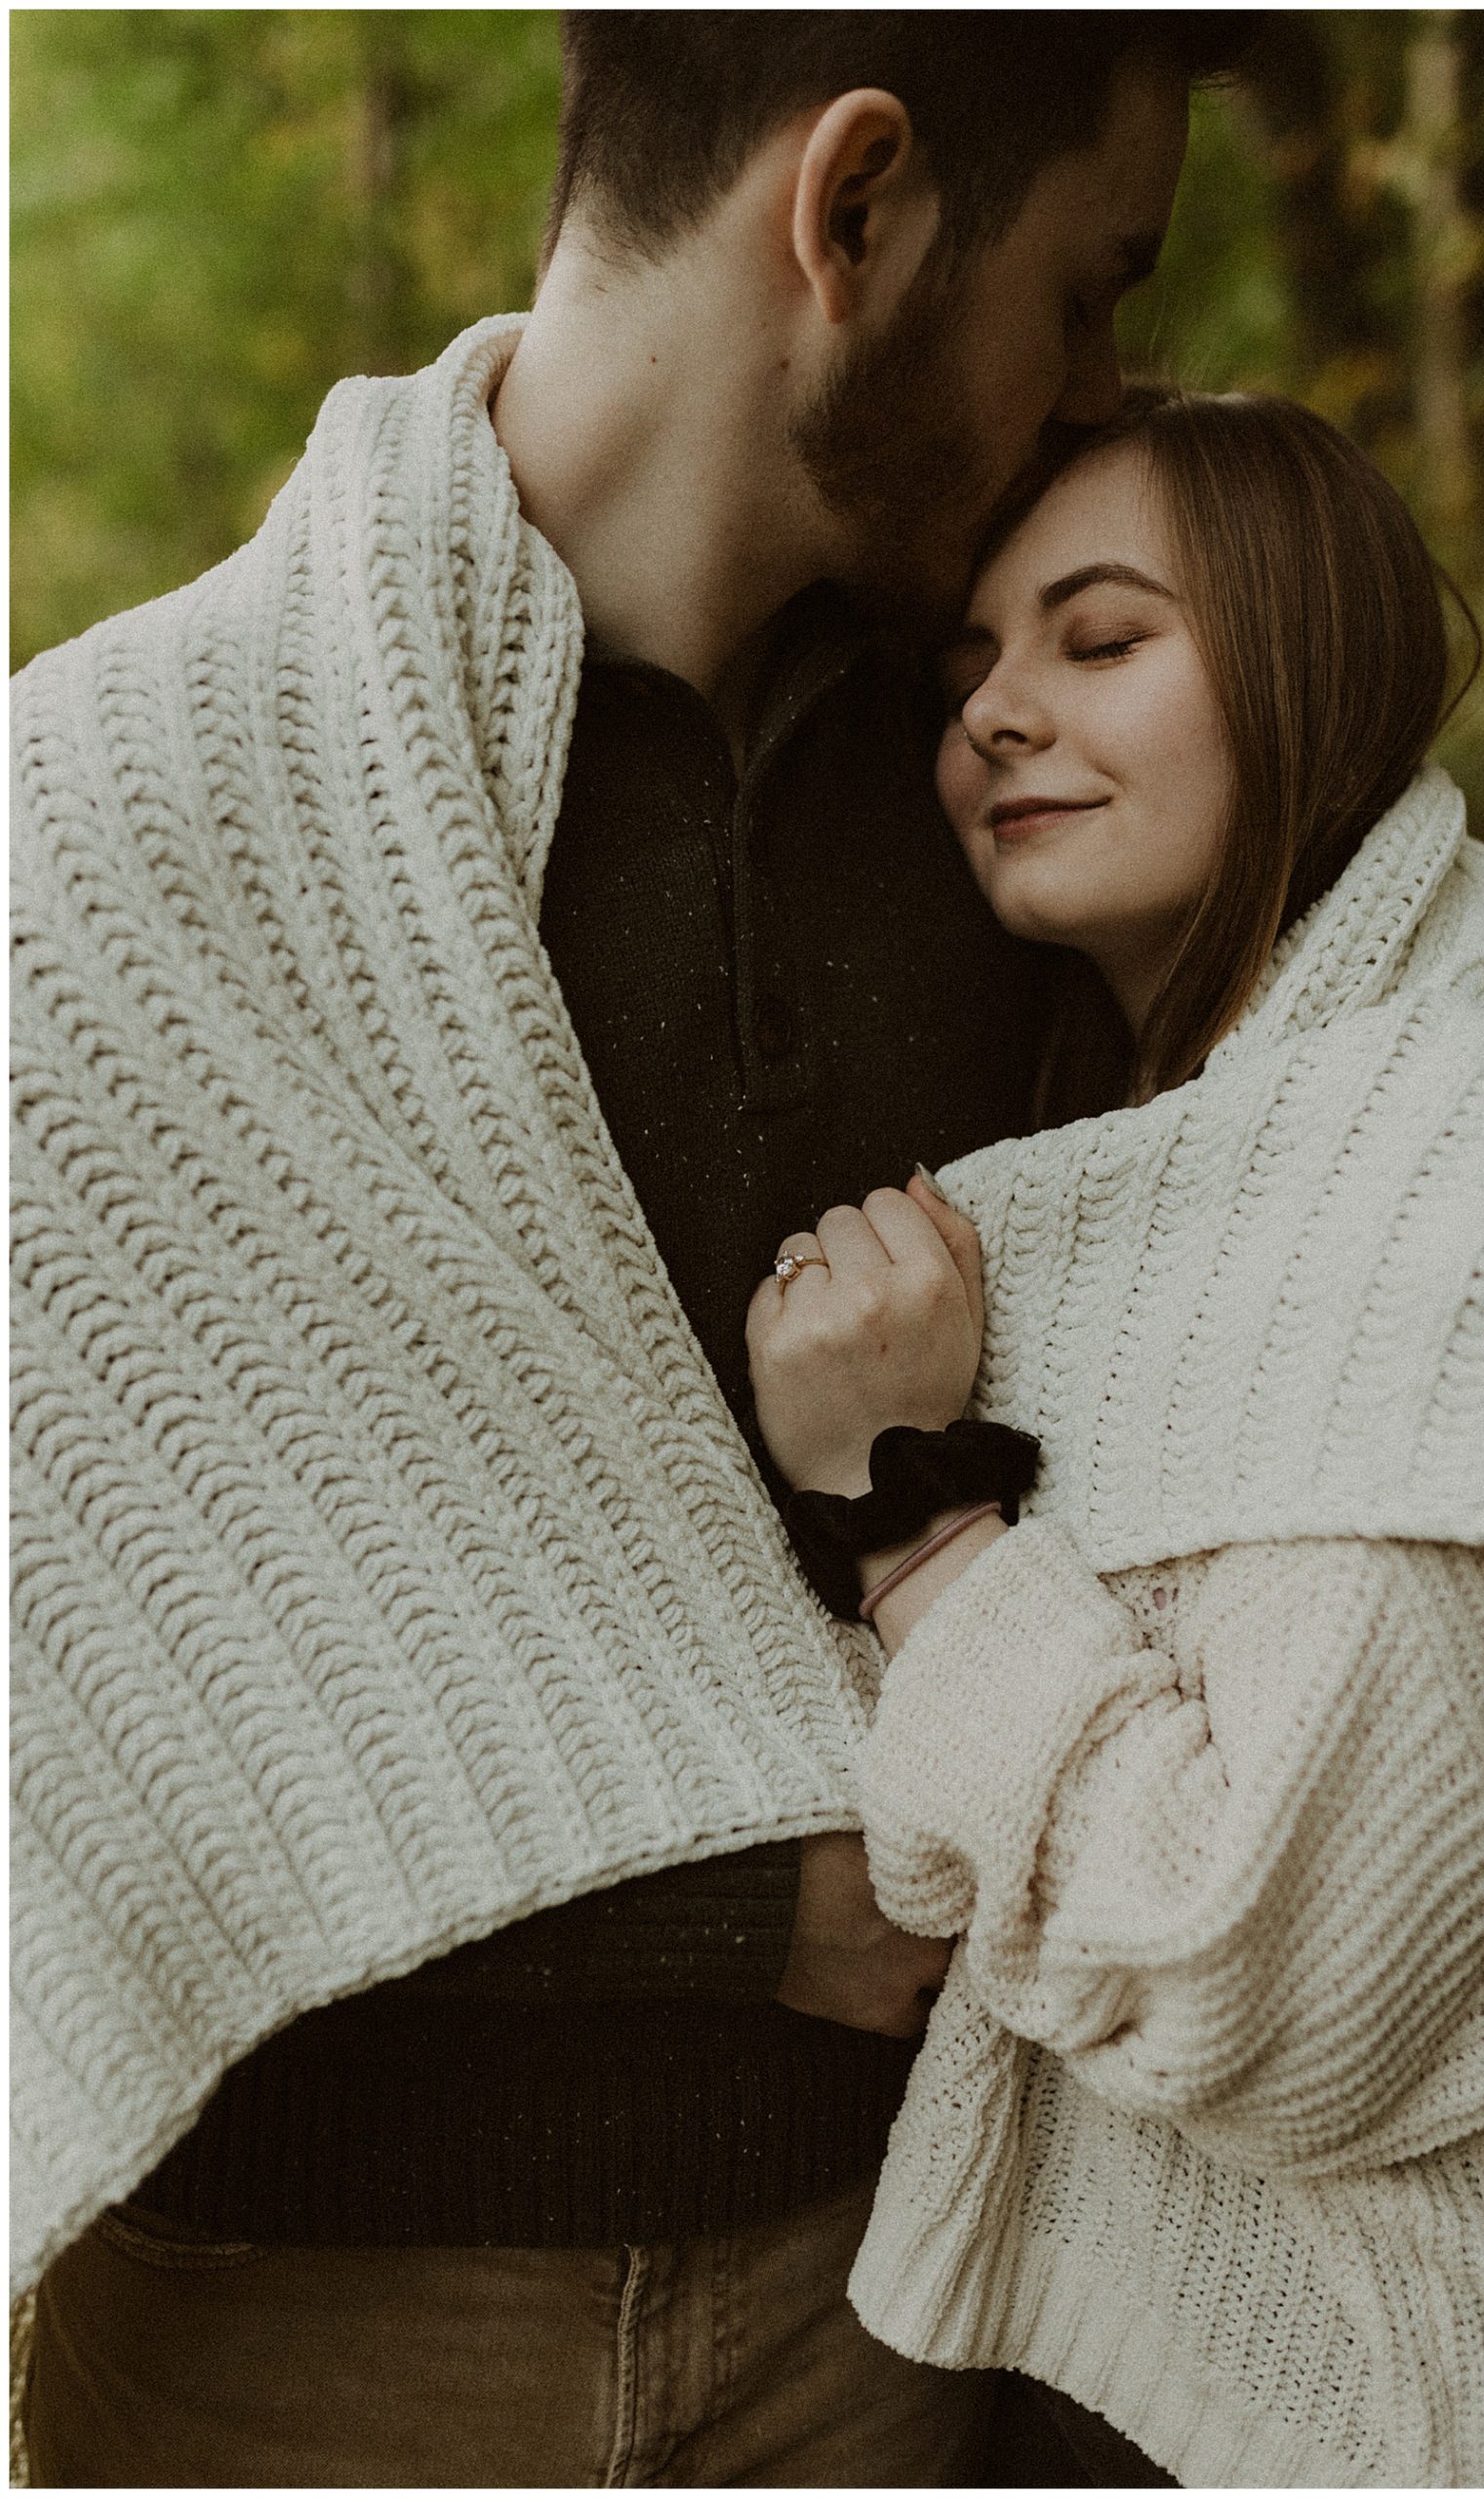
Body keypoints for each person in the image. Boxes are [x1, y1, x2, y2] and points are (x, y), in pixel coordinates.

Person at [11, 12, 1267, 2487]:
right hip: (299, 2355)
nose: (1096, 384)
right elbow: (59, 1720)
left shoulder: (1023, 796)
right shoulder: (98, 849)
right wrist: (719, 1901)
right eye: (1086, 290)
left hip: (904, 2300)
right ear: (856, 208)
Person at [746, 387, 1484, 2488]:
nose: (990, 712)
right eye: (967, 663)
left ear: (1300, 660)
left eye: (1097, 637)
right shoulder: (1204, 1124)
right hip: (1173, 2364)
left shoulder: (1482, 1145)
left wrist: (914, 1522)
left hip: (1398, 2415)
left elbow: (1292, 1967)